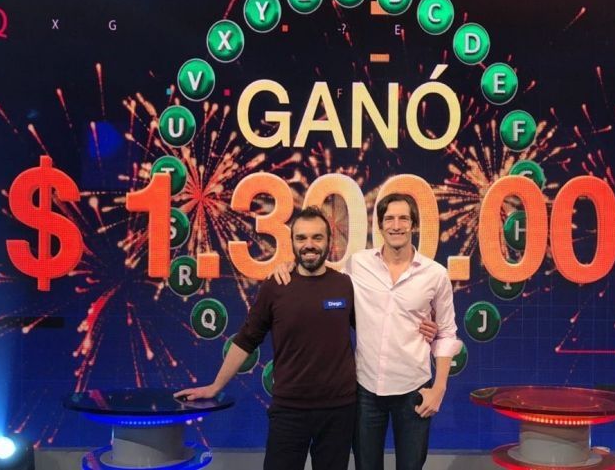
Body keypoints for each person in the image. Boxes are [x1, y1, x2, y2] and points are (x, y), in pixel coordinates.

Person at [175, 206, 437, 470]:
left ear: (329, 242)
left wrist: (424, 328)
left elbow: (380, 325)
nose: (309, 245)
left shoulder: (345, 285)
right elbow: (246, 340)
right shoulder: (275, 286)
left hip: (339, 411)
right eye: (301, 238)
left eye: (317, 237)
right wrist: (215, 386)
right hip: (289, 410)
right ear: (291, 242)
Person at [273, 194, 462, 470]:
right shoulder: (357, 264)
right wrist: (290, 265)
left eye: (403, 219)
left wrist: (439, 389)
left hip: (414, 389)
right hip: (365, 390)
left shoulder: (435, 274)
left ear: (414, 225)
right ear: (380, 226)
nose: (396, 225)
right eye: (389, 219)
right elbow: (321, 276)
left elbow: (446, 333)